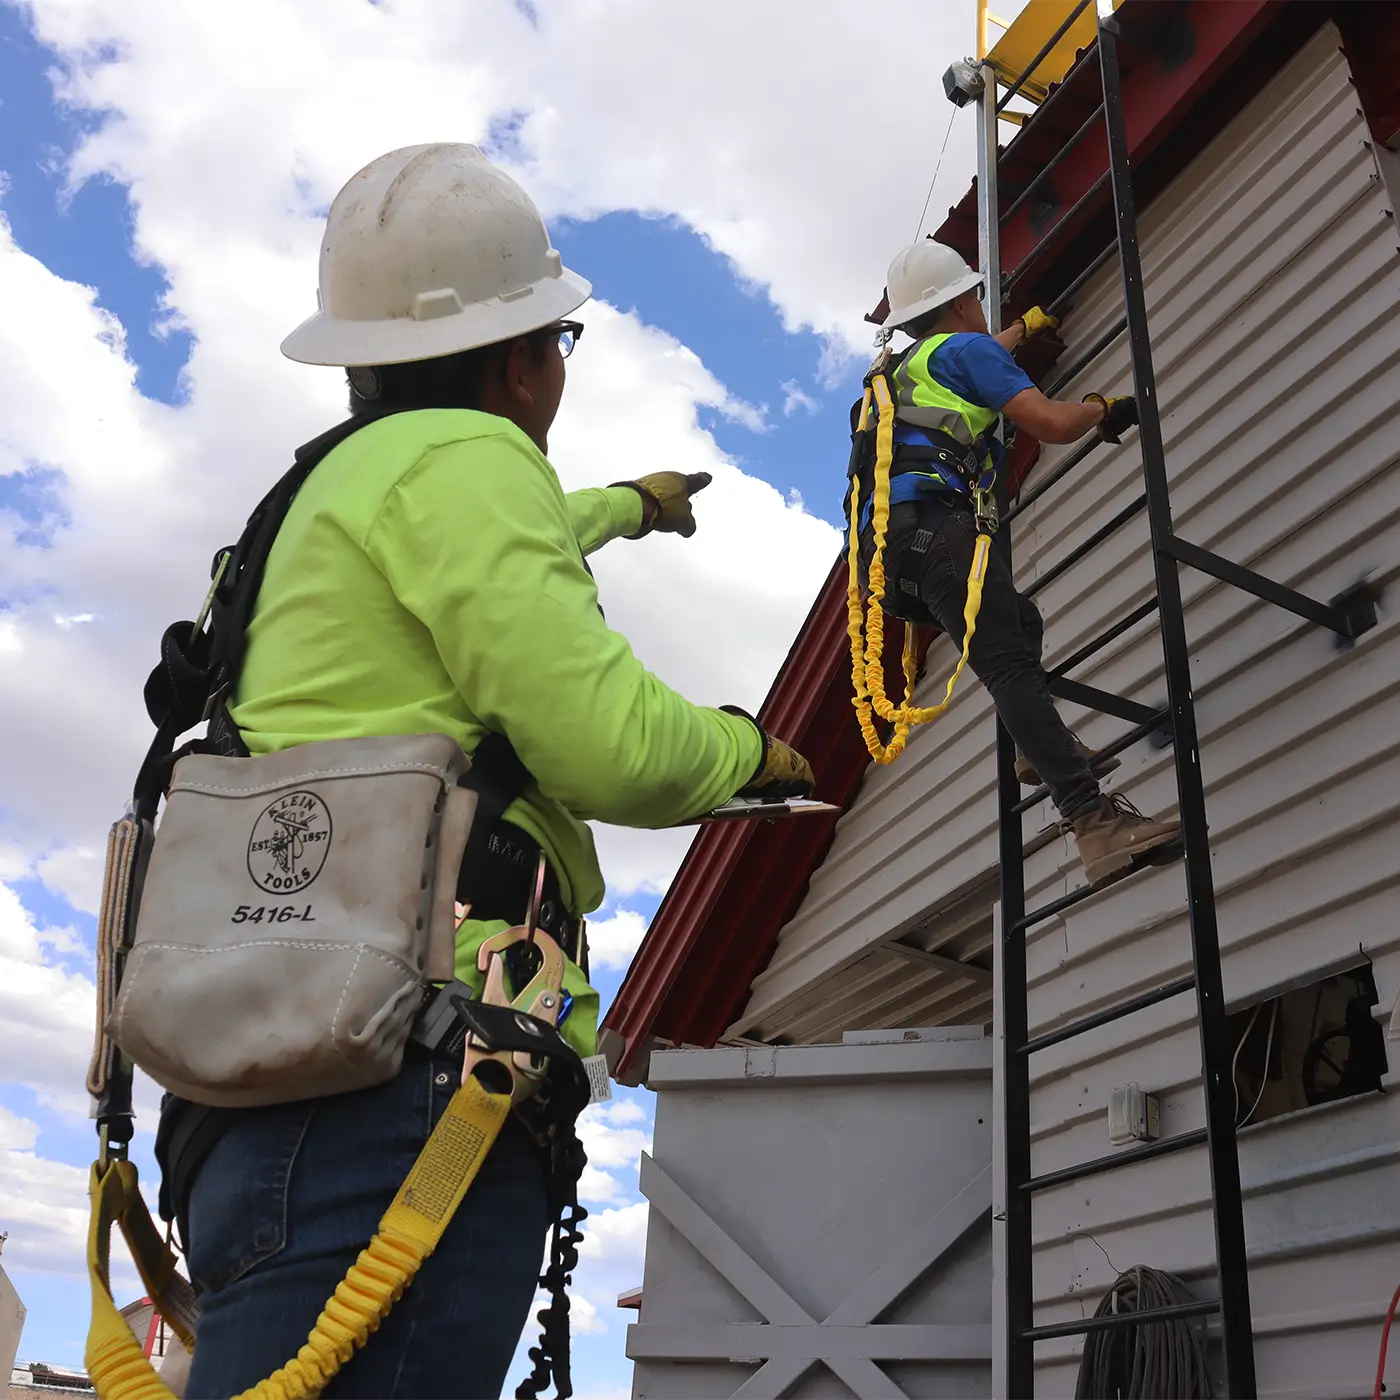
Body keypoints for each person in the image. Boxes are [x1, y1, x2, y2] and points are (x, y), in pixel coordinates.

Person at [174, 143, 814, 1400]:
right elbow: (612, 748)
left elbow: (491, 533)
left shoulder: (312, 498)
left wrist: (627, 504)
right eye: (558, 346)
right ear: (520, 361)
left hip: (270, 1070)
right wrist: (752, 748)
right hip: (409, 1075)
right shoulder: (472, 465)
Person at [856, 239, 1180, 888]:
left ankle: (1034, 755)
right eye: (974, 297)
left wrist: (1021, 330)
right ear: (958, 303)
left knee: (1017, 626)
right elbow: (1052, 425)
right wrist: (1101, 409)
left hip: (890, 566)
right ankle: (1094, 822)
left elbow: (971, 356)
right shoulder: (966, 350)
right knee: (1009, 661)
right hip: (941, 533)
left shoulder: (896, 375)